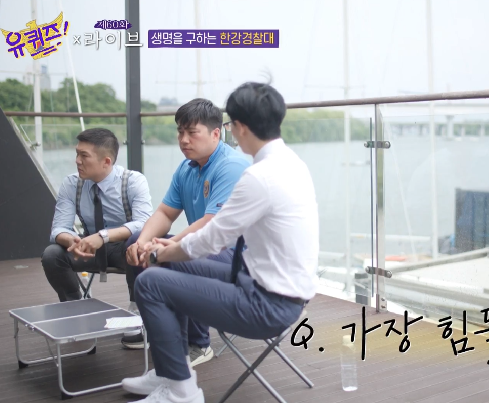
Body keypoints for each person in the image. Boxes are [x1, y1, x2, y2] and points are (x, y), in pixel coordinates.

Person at [120, 82, 319, 403]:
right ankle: (172, 372)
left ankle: (180, 392)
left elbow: (211, 238)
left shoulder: (259, 176)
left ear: (238, 127)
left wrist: (159, 253)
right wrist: (165, 252)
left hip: (268, 304)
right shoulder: (292, 163)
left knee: (151, 282)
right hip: (267, 285)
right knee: (165, 268)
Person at [121, 98, 250, 367]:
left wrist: (167, 248)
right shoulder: (187, 167)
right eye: (180, 132)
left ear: (216, 134)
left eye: (192, 132)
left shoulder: (231, 165)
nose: (184, 140)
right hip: (205, 246)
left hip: (239, 257)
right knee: (136, 240)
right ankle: (159, 328)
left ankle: (197, 343)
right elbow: (165, 213)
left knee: (182, 256)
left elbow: (210, 223)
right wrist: (144, 242)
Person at [42, 128, 152, 302]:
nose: (77, 161)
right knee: (52, 254)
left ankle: (137, 306)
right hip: (88, 248)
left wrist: (103, 236)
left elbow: (144, 223)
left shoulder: (133, 181)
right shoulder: (71, 184)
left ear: (106, 161)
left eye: (84, 156)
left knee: (139, 245)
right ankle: (72, 305)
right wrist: (72, 241)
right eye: (77, 154)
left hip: (124, 248)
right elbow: (58, 229)